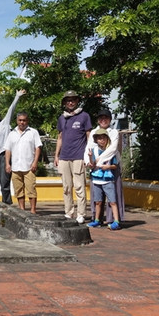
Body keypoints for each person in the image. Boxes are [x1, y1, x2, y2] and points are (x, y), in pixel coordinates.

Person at [54, 90, 92, 224]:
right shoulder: (62, 118)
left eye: (73, 100)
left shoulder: (84, 116)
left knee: (79, 186)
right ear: (64, 103)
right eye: (68, 100)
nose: (70, 102)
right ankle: (68, 212)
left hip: (78, 156)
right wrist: (56, 155)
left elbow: (89, 137)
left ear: (77, 101)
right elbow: (60, 137)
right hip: (64, 157)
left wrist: (89, 155)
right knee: (66, 187)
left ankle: (81, 213)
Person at [84, 109, 125, 223]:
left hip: (110, 168)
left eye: (106, 118)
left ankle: (115, 220)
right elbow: (89, 149)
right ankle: (97, 218)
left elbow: (112, 150)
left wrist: (98, 161)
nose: (103, 120)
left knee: (113, 196)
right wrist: (89, 162)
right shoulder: (93, 132)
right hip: (96, 171)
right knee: (97, 198)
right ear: (98, 120)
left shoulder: (114, 132)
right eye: (101, 118)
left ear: (110, 120)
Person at [3, 112, 42, 214]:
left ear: (27, 121)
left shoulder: (33, 132)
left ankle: (33, 210)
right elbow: (8, 150)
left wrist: (35, 162)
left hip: (29, 166)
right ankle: (22, 210)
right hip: (16, 167)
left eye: (24, 120)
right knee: (18, 190)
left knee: (31, 189)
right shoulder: (12, 134)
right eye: (20, 120)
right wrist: (7, 164)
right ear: (17, 121)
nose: (22, 122)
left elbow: (38, 148)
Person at [86, 128, 121, 230]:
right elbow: (92, 165)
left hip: (108, 180)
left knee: (112, 201)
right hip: (97, 179)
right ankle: (97, 220)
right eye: (99, 138)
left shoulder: (111, 151)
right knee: (98, 201)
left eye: (103, 138)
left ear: (107, 139)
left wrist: (108, 167)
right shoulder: (94, 150)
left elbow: (115, 165)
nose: (101, 140)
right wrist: (89, 157)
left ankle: (116, 221)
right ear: (96, 140)